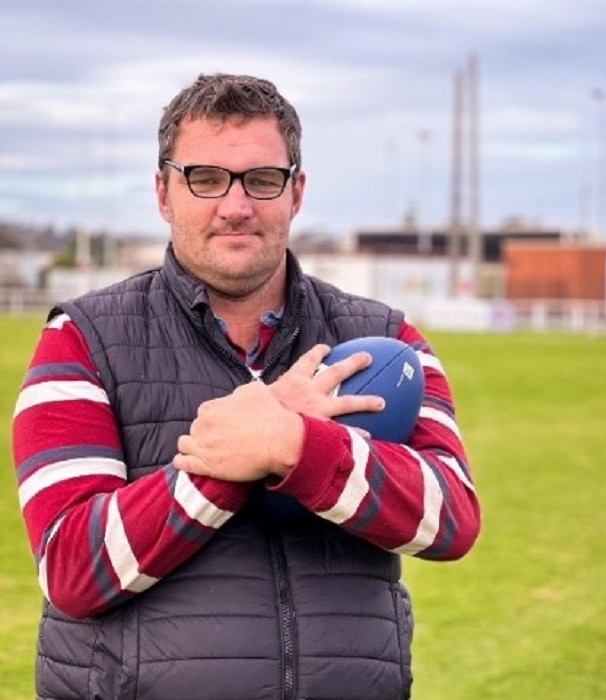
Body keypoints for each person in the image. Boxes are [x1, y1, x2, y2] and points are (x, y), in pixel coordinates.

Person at [12, 73, 481, 700]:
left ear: (296, 192)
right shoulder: (81, 339)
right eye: (205, 178)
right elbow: (73, 567)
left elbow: (450, 520)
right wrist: (227, 464)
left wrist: (297, 446)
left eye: (263, 180)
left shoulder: (387, 339)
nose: (236, 206)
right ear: (163, 192)